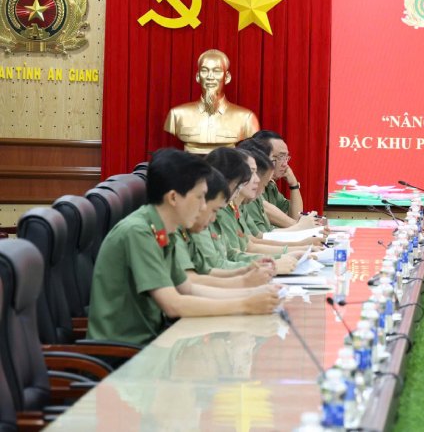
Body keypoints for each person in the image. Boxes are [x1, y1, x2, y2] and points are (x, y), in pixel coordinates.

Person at [87, 148, 280, 346]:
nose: (204, 207)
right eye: (199, 198)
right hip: (127, 353)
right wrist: (245, 304)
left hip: (155, 341)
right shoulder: (140, 231)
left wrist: (251, 293)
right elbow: (173, 304)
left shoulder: (163, 229)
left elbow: (187, 288)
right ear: (173, 198)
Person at [174, 168, 274, 287]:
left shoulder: (188, 225)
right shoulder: (166, 229)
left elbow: (207, 270)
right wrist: (245, 286)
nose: (213, 218)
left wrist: (246, 270)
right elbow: (187, 287)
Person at [164, 49, 260, 154]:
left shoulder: (246, 118)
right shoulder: (177, 114)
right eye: (204, 70)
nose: (210, 77)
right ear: (198, 77)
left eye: (216, 71)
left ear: (227, 77)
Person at [251, 130, 324, 229]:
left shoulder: (271, 186)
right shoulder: (249, 186)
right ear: (262, 157)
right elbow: (262, 207)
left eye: (286, 157)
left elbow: (294, 216)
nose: (285, 164)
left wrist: (293, 185)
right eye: (281, 157)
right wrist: (300, 226)